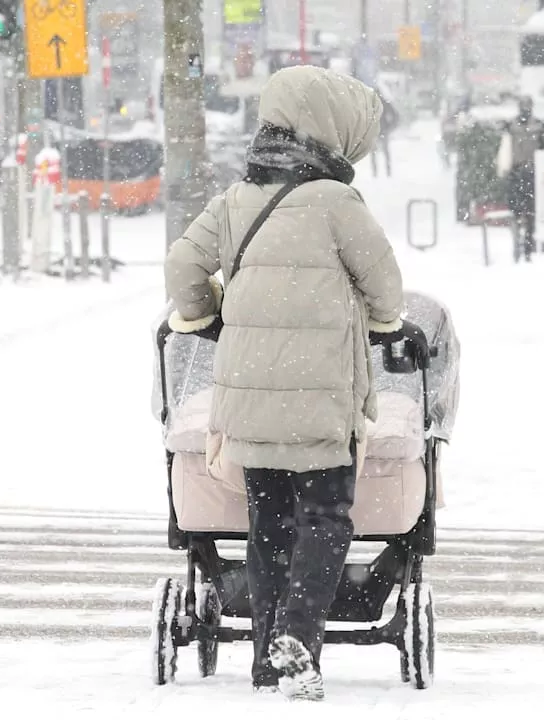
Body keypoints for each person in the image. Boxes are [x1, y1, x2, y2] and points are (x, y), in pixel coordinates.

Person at [163, 66, 404, 700]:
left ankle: (268, 662)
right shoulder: (337, 204)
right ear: (332, 130)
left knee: (267, 524)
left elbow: (183, 263)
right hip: (320, 396)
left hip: (246, 397)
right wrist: (381, 320)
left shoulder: (236, 199)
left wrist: (204, 313)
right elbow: (386, 287)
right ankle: (299, 637)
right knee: (324, 517)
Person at [495, 96, 544, 261]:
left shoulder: (538, 126)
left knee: (530, 214)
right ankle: (518, 244)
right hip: (516, 173)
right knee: (516, 213)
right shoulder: (511, 126)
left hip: (532, 173)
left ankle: (528, 248)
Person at [371, 96, 398, 177]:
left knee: (382, 153)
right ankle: (377, 173)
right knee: (377, 153)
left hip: (381, 131)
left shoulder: (383, 103)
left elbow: (395, 116)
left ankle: (385, 172)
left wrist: (390, 127)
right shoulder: (373, 104)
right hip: (377, 131)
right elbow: (395, 116)